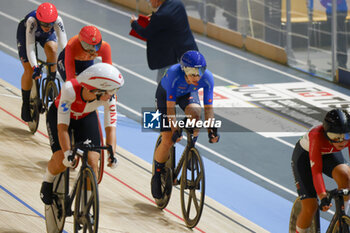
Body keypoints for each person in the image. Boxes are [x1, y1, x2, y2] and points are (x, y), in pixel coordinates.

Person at [40, 63, 124, 205]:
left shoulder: (110, 98)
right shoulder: (70, 89)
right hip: (60, 117)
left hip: (85, 117)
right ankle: (47, 180)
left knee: (92, 162)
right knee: (61, 158)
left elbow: (111, 128)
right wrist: (67, 153)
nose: (113, 93)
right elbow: (63, 128)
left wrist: (112, 154)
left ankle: (85, 208)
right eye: (110, 90)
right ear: (96, 90)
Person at [151, 50, 220, 199]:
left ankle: (190, 147)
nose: (197, 77)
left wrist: (211, 129)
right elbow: (170, 108)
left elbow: (209, 109)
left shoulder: (207, 78)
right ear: (184, 70)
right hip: (165, 96)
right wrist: (175, 129)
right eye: (192, 73)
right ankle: (157, 173)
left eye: (200, 72)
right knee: (168, 139)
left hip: (187, 94)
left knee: (196, 113)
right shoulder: (174, 74)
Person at [291, 108, 350, 233]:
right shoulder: (316, 136)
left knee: (346, 177)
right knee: (311, 207)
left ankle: (341, 218)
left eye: (345, 136)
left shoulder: (345, 137)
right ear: (326, 133)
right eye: (335, 137)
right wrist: (323, 196)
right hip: (306, 157)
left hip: (329, 154)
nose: (341, 141)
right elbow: (316, 172)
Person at [16, 2, 67, 122]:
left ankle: (51, 80)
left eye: (50, 25)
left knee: (53, 49)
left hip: (45, 37)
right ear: (39, 20)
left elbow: (64, 45)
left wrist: (66, 59)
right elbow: (30, 47)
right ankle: (25, 103)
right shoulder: (32, 21)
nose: (47, 27)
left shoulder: (58, 20)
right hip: (26, 34)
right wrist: (35, 67)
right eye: (44, 24)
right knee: (28, 70)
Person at [130, 0, 198, 83]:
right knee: (191, 86)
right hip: (190, 52)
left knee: (163, 88)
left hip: (172, 58)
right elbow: (171, 20)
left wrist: (134, 23)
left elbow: (146, 33)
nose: (149, 2)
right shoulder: (177, 3)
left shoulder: (161, 15)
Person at [321, 0, 348, 69]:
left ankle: (342, 65)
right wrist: (326, 4)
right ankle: (337, 64)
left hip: (339, 11)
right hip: (330, 11)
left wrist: (328, 4)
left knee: (340, 38)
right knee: (334, 37)